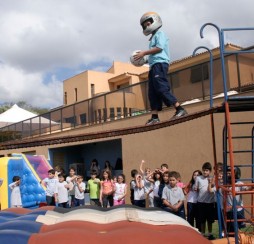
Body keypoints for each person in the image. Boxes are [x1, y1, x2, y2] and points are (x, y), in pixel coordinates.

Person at [134, 12, 187, 125]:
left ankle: (179, 109)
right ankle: (154, 117)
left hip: (160, 65)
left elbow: (159, 48)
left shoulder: (160, 34)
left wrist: (144, 53)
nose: (147, 26)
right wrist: (144, 60)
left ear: (155, 21)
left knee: (161, 87)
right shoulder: (152, 38)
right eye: (145, 25)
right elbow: (154, 55)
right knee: (152, 92)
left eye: (148, 23)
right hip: (153, 66)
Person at [195, 162, 215, 240]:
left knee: (209, 220)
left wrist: (211, 182)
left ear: (209, 171)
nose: (204, 172)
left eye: (206, 170)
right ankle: (203, 233)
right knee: (202, 220)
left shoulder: (212, 178)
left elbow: (213, 187)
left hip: (210, 203)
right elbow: (196, 188)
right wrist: (196, 188)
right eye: (203, 170)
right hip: (201, 202)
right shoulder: (198, 178)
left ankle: (210, 233)